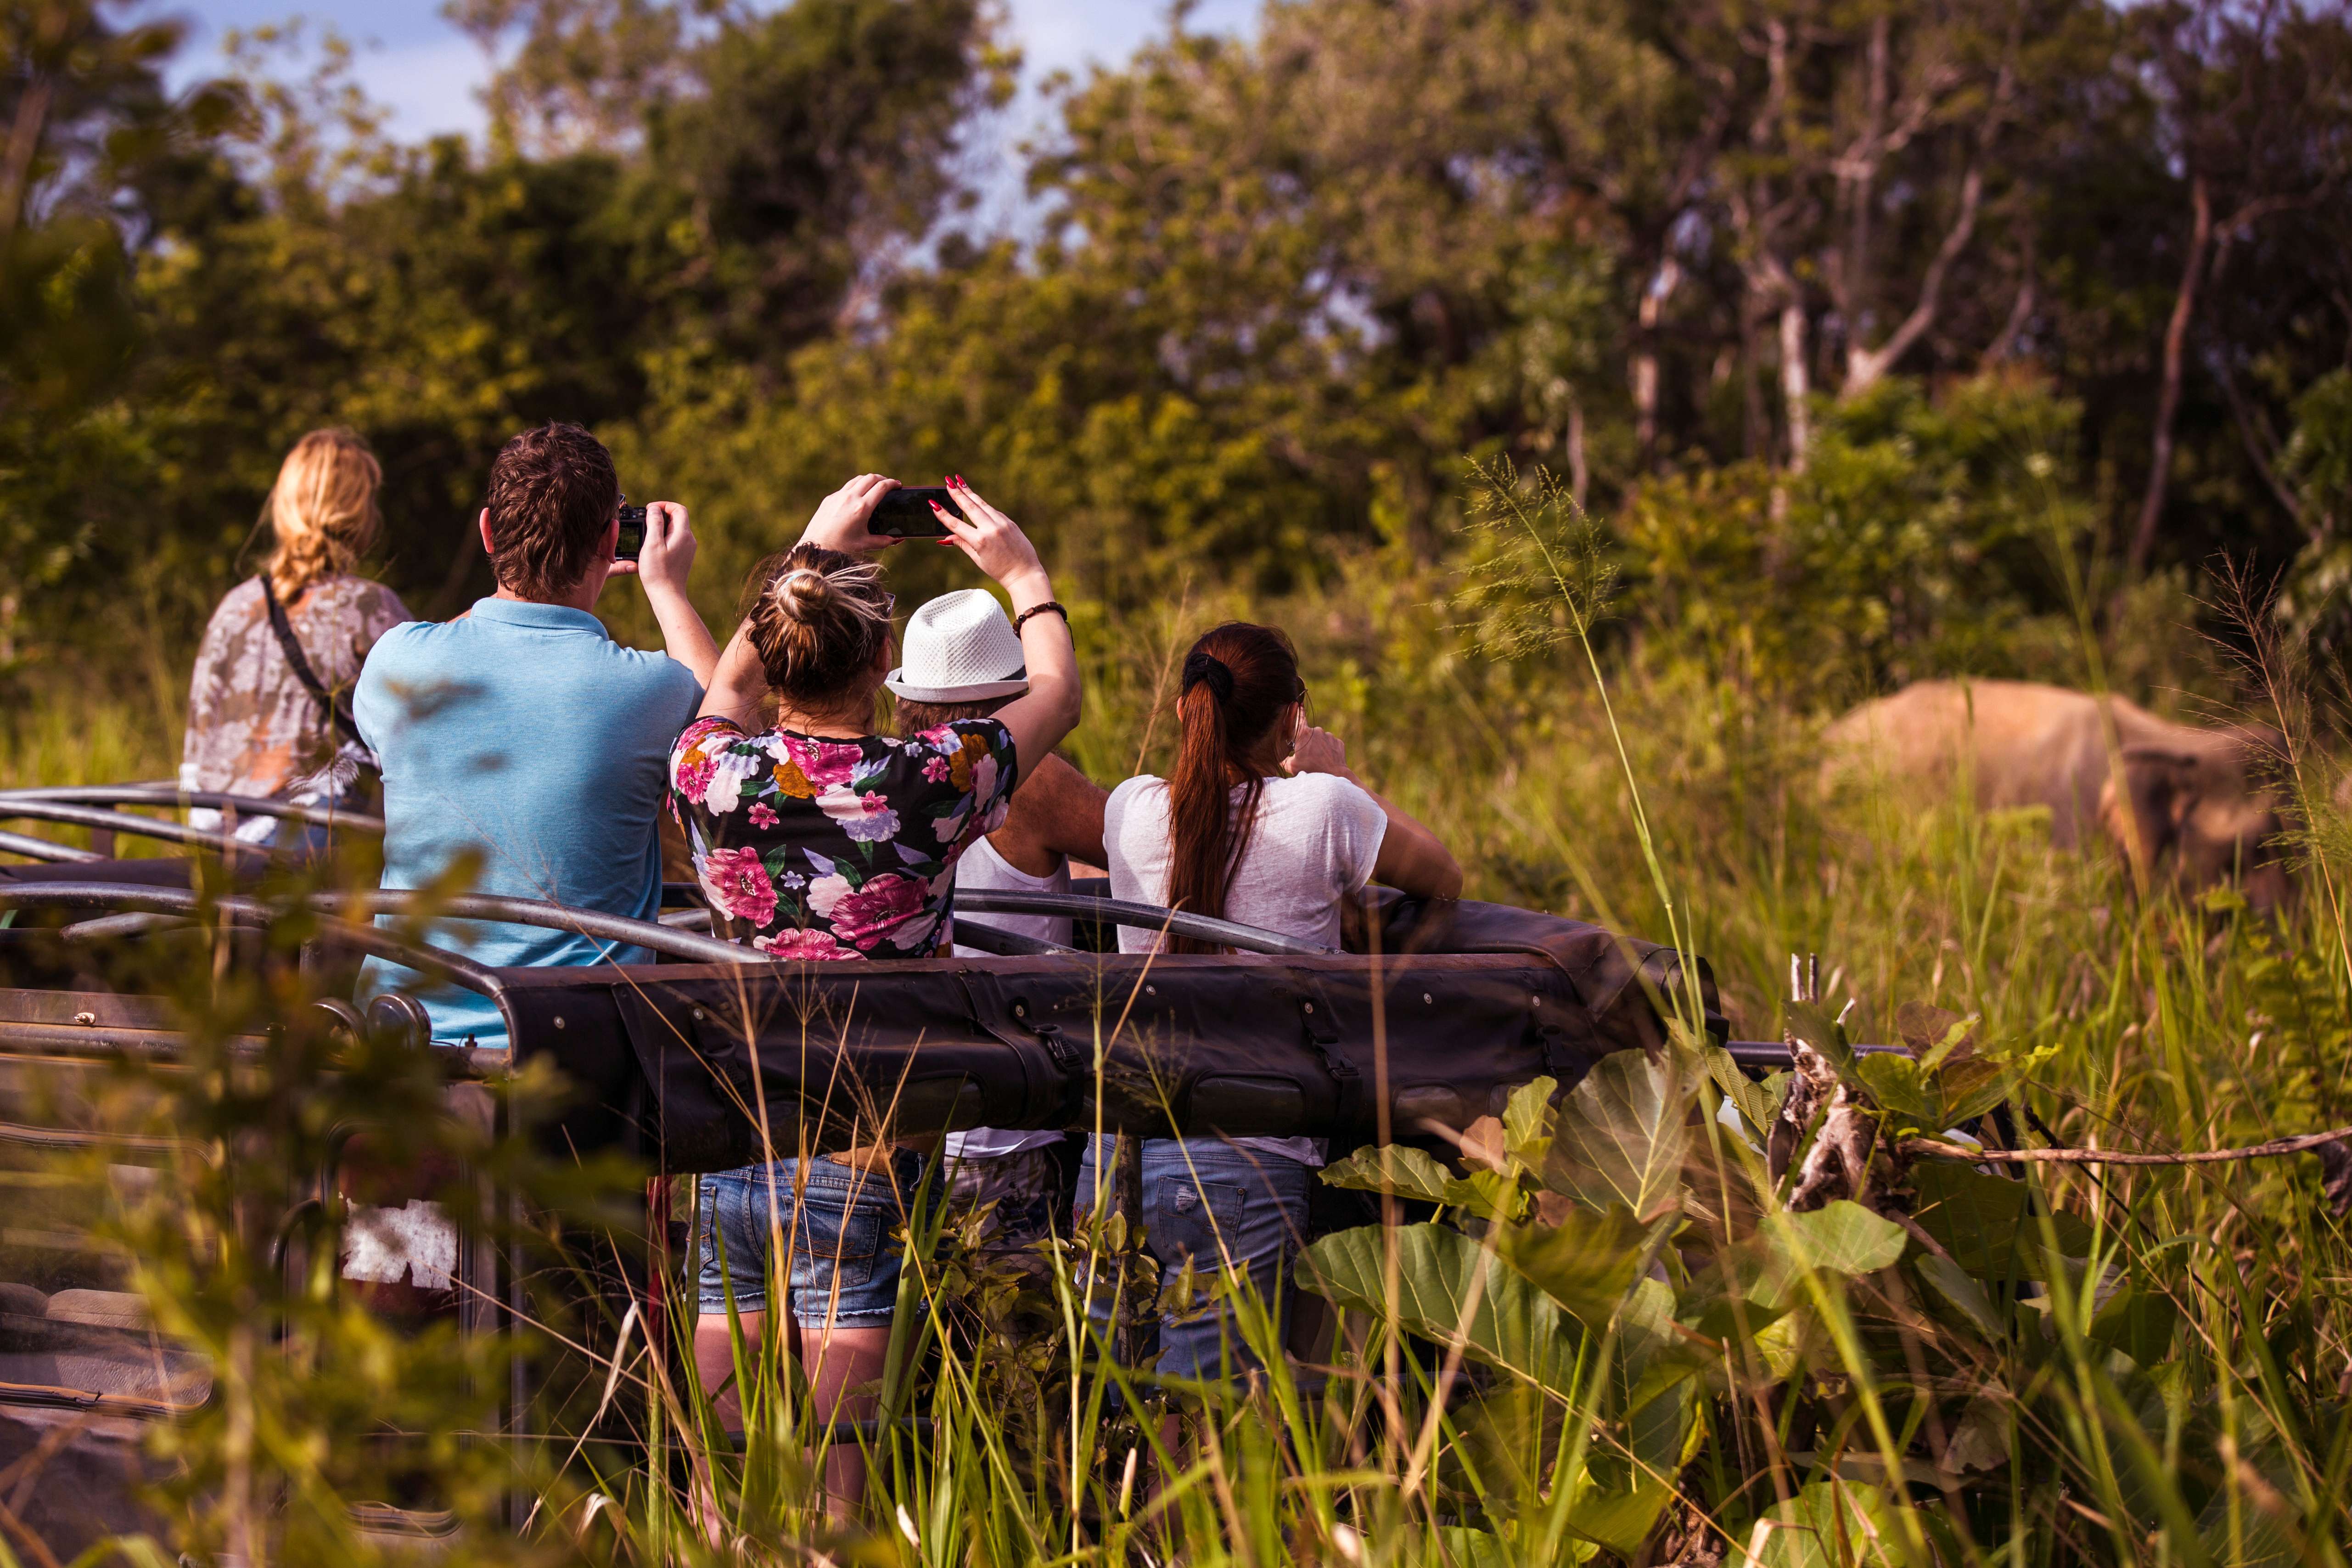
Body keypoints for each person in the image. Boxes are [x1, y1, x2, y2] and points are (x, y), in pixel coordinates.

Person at [671, 475, 1079, 1512]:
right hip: (867, 1133)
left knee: (724, 1451)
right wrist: (1024, 574)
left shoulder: (709, 770)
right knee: (835, 1470)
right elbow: (1056, 694)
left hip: (733, 1123)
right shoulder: (931, 777)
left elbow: (727, 680)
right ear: (877, 663)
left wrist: (806, 552)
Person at [1080, 621, 1461, 1386]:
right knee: (1212, 1434)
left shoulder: (1128, 809)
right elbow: (1443, 876)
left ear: (1188, 711)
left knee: (1117, 1414)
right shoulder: (1324, 808)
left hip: (1115, 1152)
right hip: (1246, 1156)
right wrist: (1336, 773)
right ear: (1292, 716)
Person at [351, 422, 719, 1050]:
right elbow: (729, 740)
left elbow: (467, 631)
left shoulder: (395, 661)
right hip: (574, 1067)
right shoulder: (653, 689)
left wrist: (512, 589)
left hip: (394, 1052)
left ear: (488, 531)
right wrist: (666, 588)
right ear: (611, 539)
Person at [888, 589, 1109, 1254]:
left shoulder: (889, 773)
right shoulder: (1029, 778)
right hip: (1008, 1123)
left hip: (906, 1119)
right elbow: (1144, 849)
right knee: (1018, 1344)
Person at [181, 429, 411, 848]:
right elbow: (427, 732)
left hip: (219, 846)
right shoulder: (369, 607)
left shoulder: (234, 606)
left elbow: (197, 744)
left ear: (285, 505)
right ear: (358, 511)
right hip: (316, 848)